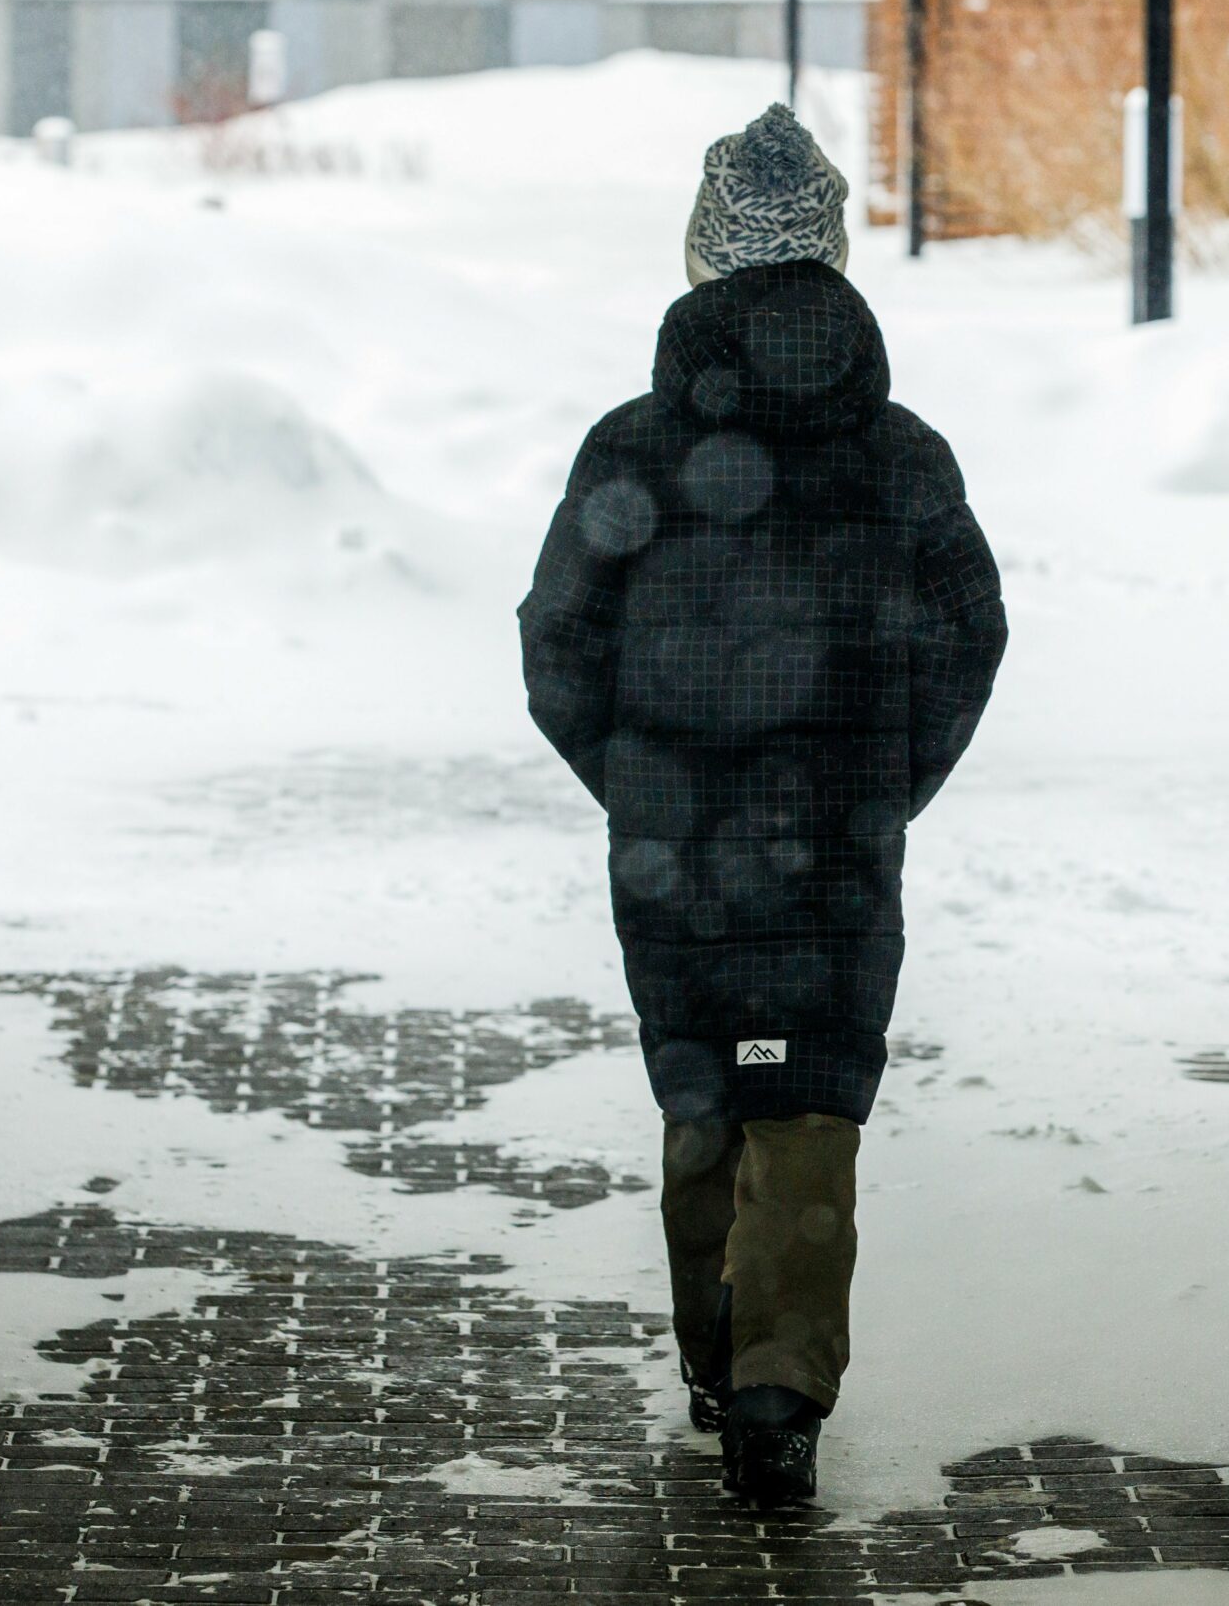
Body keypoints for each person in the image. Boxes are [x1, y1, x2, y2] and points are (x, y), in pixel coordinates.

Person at [517, 103, 1007, 1509]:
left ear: (704, 256)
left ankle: (720, 1365)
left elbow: (558, 641)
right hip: (840, 851)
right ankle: (778, 1395)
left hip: (674, 852)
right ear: (834, 254)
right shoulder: (903, 456)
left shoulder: (633, 450)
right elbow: (973, 638)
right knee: (811, 1111)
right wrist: (884, 788)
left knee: (706, 1098)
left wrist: (634, 786)